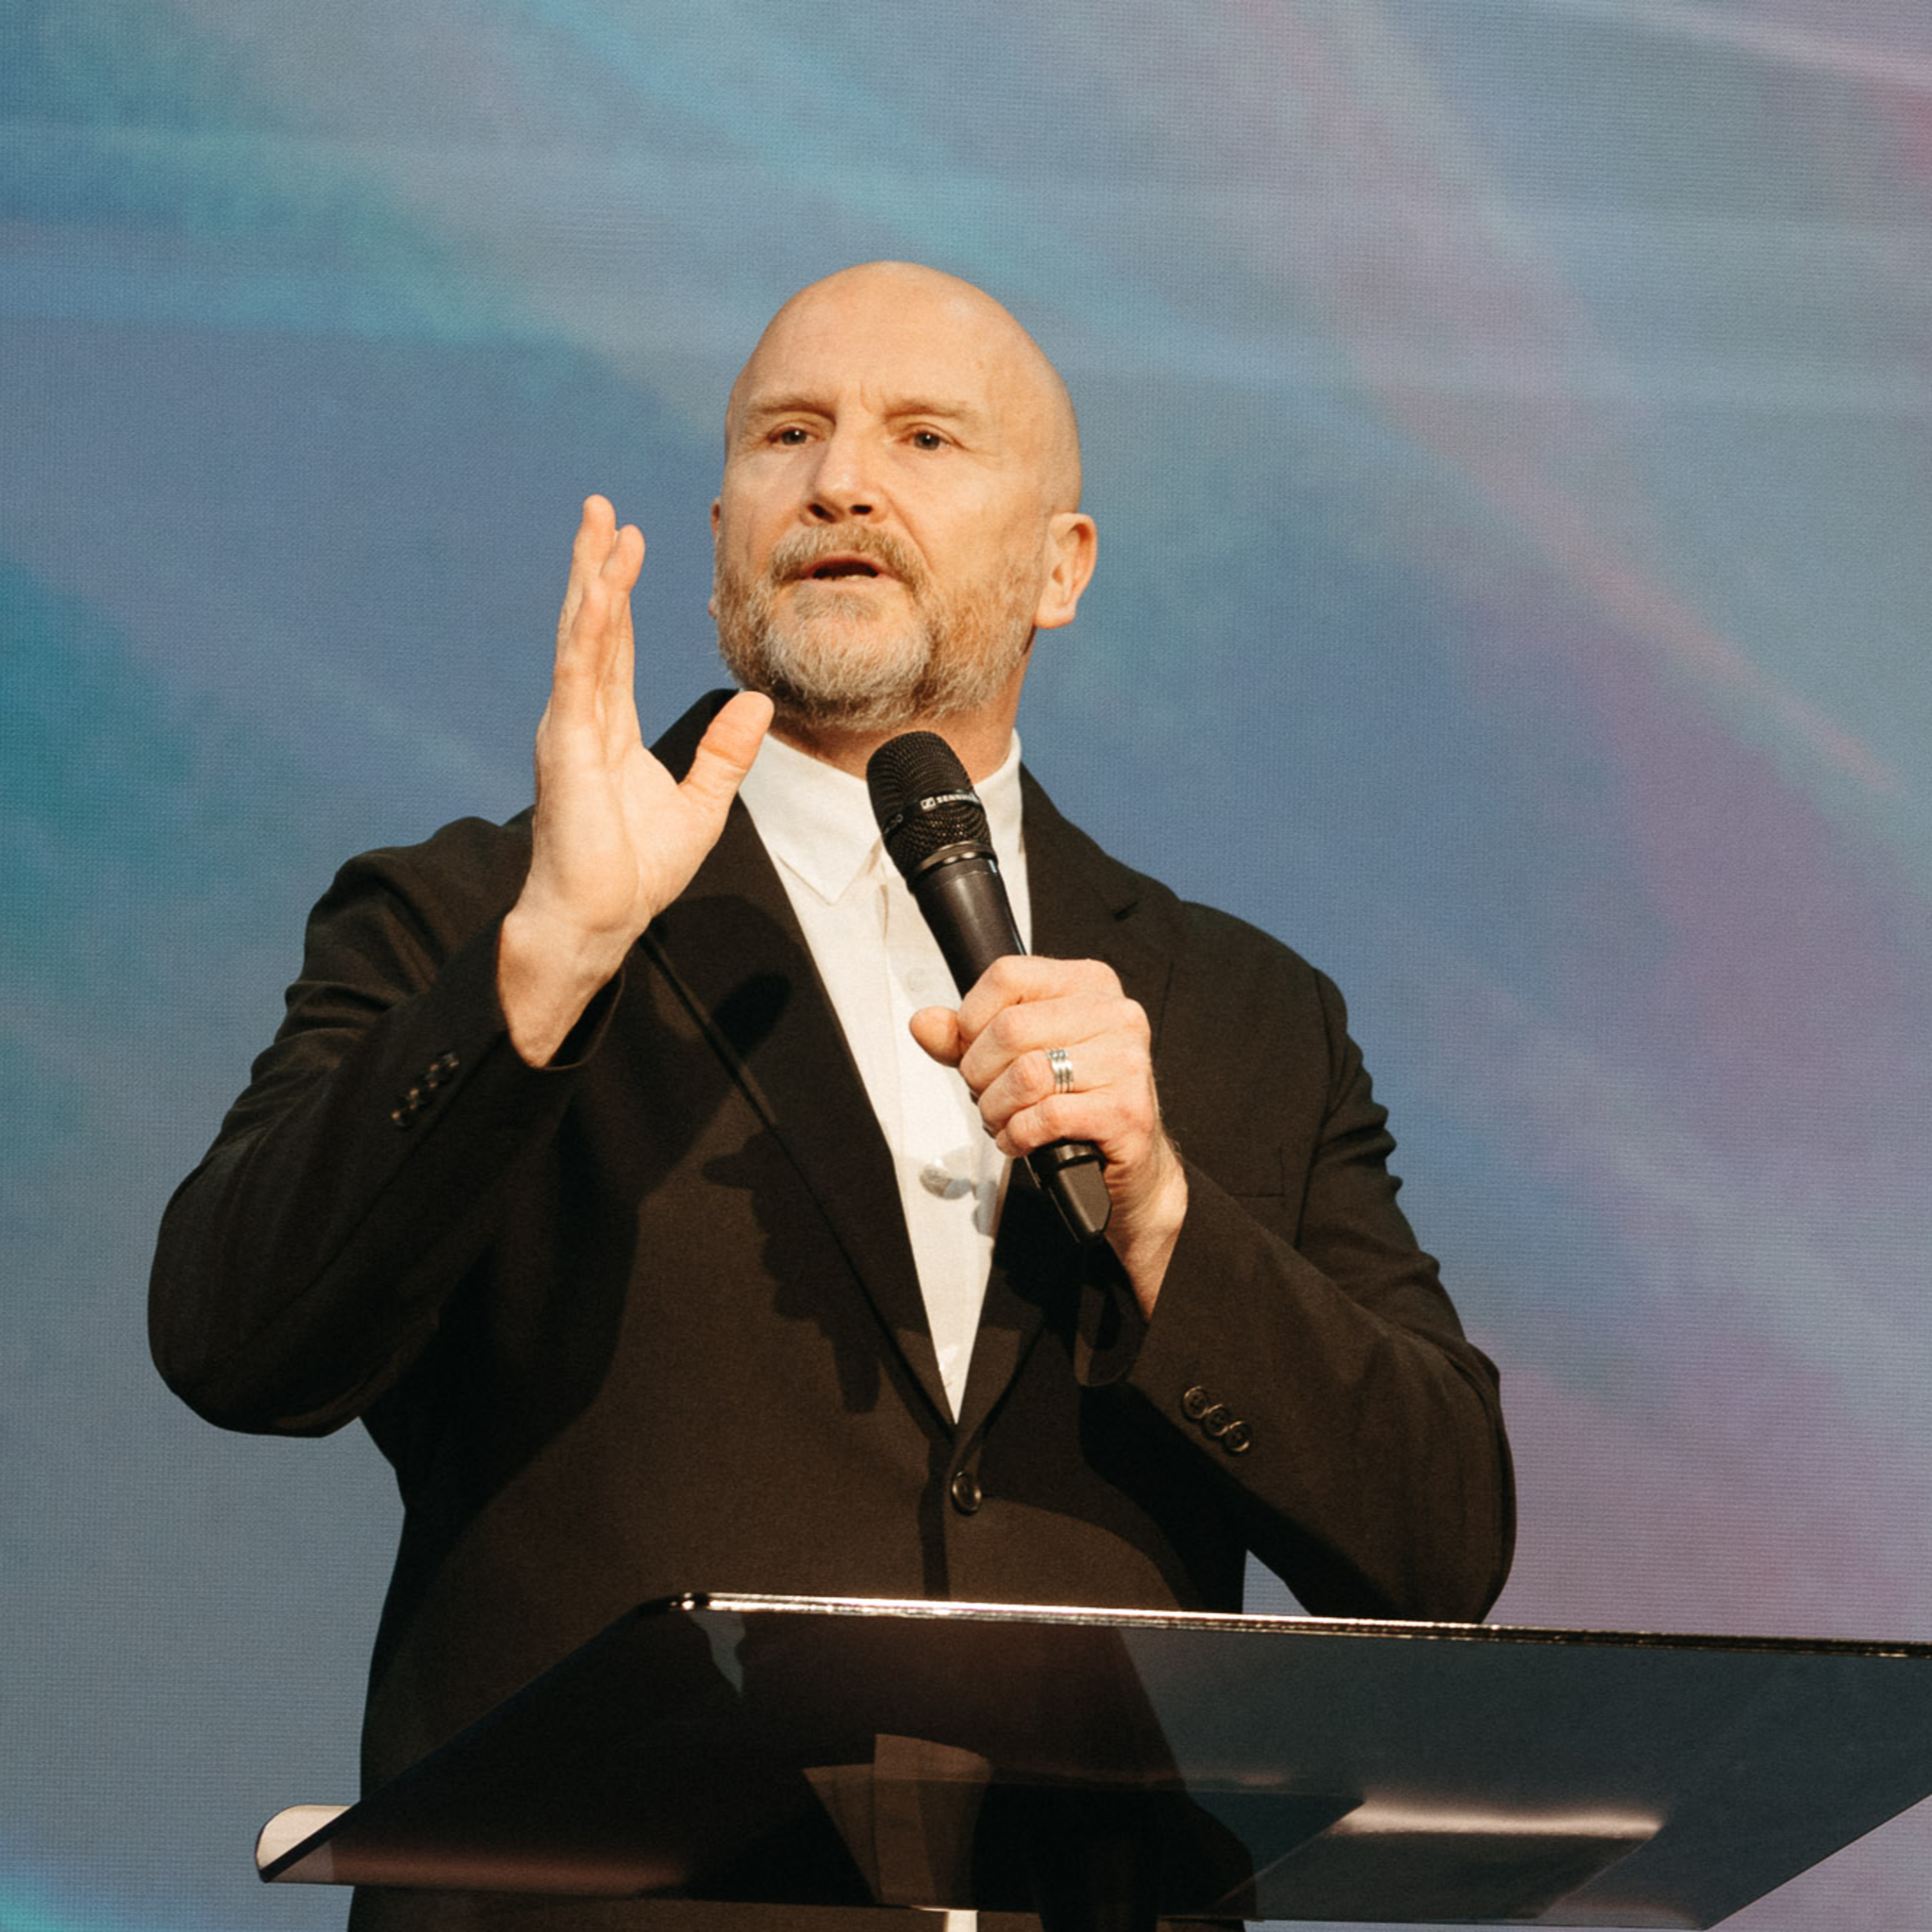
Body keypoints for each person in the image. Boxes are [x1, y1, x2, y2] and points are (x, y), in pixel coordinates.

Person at [149, 262, 1513, 1930]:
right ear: (725, 524)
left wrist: (1165, 1217)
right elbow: (236, 1341)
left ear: (1063, 564)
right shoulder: (484, 921)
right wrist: (548, 969)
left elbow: (1442, 1541)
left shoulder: (1242, 1014)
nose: (841, 481)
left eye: (925, 438)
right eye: (787, 434)